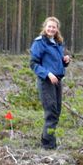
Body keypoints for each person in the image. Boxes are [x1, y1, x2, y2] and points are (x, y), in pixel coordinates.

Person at [30, 16, 71, 150]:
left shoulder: (58, 43)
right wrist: (47, 74)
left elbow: (56, 63)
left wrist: (65, 61)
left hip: (57, 81)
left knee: (57, 111)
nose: (51, 29)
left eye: (54, 27)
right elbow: (34, 63)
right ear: (45, 27)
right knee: (51, 112)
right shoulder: (39, 42)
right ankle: (48, 145)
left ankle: (48, 141)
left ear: (57, 29)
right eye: (49, 26)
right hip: (46, 81)